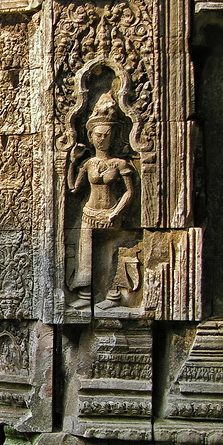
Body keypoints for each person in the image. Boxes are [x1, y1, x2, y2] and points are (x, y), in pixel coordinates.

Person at [67, 91, 135, 309]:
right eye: (98, 135)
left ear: (114, 135)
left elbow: (129, 192)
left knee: (112, 253)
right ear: (91, 136)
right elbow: (73, 189)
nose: (102, 139)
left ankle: (113, 295)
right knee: (85, 255)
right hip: (89, 212)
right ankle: (86, 295)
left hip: (111, 212)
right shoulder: (89, 164)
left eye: (107, 135)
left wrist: (117, 211)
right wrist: (71, 162)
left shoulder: (120, 163)